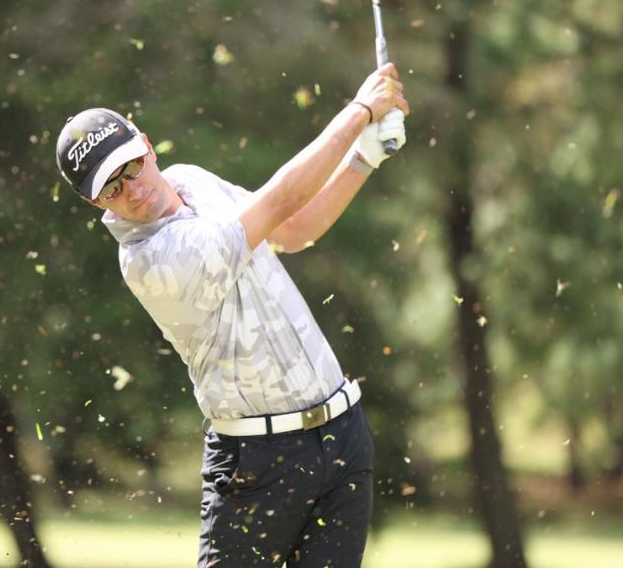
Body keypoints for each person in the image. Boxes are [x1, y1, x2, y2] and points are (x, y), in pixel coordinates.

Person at [55, 63, 410, 567]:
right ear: (94, 202)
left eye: (131, 166)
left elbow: (293, 228)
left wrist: (366, 155)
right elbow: (278, 199)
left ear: (148, 146)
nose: (132, 189)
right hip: (257, 468)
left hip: (342, 438)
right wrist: (360, 112)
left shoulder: (190, 180)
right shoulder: (150, 261)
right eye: (112, 187)